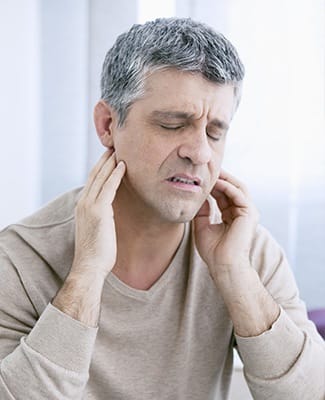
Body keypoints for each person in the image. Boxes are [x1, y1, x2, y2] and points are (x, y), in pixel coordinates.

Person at [0, 17, 324, 400]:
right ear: (107, 125)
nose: (201, 152)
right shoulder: (19, 261)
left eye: (215, 132)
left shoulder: (246, 251)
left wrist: (233, 273)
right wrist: (87, 271)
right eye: (172, 124)